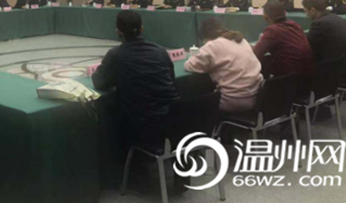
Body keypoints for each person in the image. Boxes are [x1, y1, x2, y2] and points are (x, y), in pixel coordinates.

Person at [92, 11, 179, 151]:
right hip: (171, 120)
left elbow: (99, 82)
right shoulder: (160, 51)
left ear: (118, 32)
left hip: (140, 125)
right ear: (142, 29)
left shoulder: (116, 55)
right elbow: (171, 77)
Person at [185, 18, 263, 112]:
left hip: (232, 101)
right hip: (256, 97)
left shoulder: (211, 46)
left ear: (205, 36)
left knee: (195, 104)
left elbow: (190, 65)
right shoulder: (241, 40)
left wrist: (192, 56)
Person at [302, 0, 346, 80]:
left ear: (312, 10)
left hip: (334, 73)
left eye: (305, 11)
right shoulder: (337, 18)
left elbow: (308, 47)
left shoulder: (319, 23)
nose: (306, 15)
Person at [253, 1, 315, 78]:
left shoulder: (272, 31)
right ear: (284, 13)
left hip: (289, 78)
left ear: (265, 17)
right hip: (308, 75)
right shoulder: (294, 25)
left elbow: (255, 54)